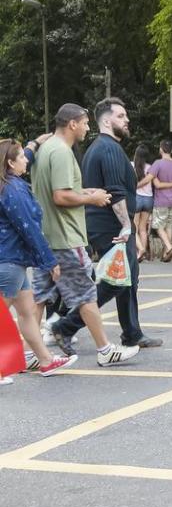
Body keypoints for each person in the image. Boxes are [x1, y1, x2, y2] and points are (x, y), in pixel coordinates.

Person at [32, 103, 140, 366]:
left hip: (46, 236)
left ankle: (33, 353)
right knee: (87, 294)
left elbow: (60, 190)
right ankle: (105, 349)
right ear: (72, 124)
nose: (87, 128)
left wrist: (90, 192)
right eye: (84, 123)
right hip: (65, 237)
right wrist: (92, 200)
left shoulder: (46, 149)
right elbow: (61, 196)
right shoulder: (61, 152)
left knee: (38, 298)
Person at [51, 98, 161, 352]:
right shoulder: (109, 149)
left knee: (128, 279)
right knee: (115, 281)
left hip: (103, 224)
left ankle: (132, 332)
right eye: (121, 116)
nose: (127, 120)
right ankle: (65, 326)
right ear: (107, 120)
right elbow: (115, 192)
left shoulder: (98, 148)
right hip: (111, 226)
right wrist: (126, 227)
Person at [0, 138, 77, 376]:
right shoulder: (13, 189)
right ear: (11, 163)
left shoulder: (7, 183)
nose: (26, 159)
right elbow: (29, 228)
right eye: (21, 156)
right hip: (9, 261)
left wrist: (34, 144)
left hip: (14, 260)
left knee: (26, 313)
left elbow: (25, 156)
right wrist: (49, 260)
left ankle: (45, 360)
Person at [147, 140, 172, 262]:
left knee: (158, 226)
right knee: (169, 226)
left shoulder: (158, 163)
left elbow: (151, 179)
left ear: (161, 150)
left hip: (161, 200)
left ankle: (169, 247)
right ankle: (165, 254)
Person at [132, 144, 154, 261]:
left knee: (133, 227)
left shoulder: (132, 166)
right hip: (148, 199)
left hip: (136, 198)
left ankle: (140, 249)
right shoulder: (150, 168)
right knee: (143, 228)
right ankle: (142, 253)